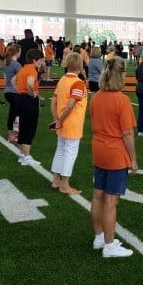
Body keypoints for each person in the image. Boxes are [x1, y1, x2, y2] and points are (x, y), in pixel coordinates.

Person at [89, 57, 138, 258]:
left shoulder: (97, 97)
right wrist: (133, 159)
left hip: (99, 149)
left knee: (97, 195)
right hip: (115, 152)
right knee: (111, 200)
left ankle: (99, 236)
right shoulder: (121, 100)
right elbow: (127, 133)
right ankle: (109, 245)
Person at [50, 52, 87, 195]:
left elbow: (54, 101)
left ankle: (56, 180)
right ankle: (65, 184)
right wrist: (59, 120)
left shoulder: (62, 80)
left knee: (60, 150)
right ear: (80, 66)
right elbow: (71, 105)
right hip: (72, 124)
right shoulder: (78, 83)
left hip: (62, 122)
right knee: (70, 152)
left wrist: (56, 119)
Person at [14, 49, 44, 166]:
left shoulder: (23, 69)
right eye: (40, 61)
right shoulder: (32, 70)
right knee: (29, 128)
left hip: (20, 99)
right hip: (28, 101)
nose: (41, 64)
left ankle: (22, 154)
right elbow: (30, 83)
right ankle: (27, 156)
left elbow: (12, 81)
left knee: (22, 127)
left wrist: (21, 91)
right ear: (35, 60)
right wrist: (32, 94)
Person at [3, 45, 22, 143]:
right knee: (16, 114)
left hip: (7, 91)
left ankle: (12, 134)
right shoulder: (17, 64)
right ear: (17, 52)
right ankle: (13, 135)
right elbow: (20, 80)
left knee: (13, 113)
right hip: (15, 92)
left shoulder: (6, 63)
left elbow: (5, 79)